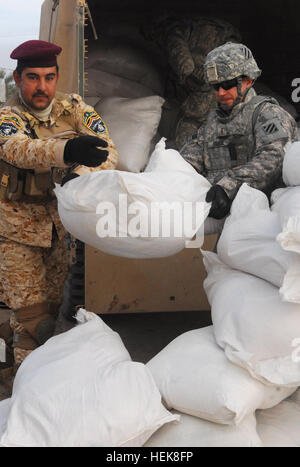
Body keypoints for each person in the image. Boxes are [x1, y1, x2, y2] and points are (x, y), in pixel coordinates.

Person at [0, 40, 118, 373]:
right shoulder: (8, 115)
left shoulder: (74, 109)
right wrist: (67, 152)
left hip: (60, 231)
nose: (42, 87)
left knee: (54, 313)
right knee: (34, 321)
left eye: (49, 77)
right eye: (33, 78)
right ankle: (24, 392)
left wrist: (79, 173)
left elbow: (108, 150)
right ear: (19, 79)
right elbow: (16, 149)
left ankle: (34, 373)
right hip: (16, 231)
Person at [180, 42, 298, 220]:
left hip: (264, 215)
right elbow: (189, 159)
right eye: (216, 86)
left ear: (248, 80)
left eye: (227, 85)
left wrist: (227, 187)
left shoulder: (267, 114)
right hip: (221, 212)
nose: (220, 93)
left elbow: (273, 158)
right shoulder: (213, 122)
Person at [143, 15, 241, 148]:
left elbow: (180, 56)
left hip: (202, 91)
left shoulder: (175, 30)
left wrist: (190, 72)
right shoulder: (185, 28)